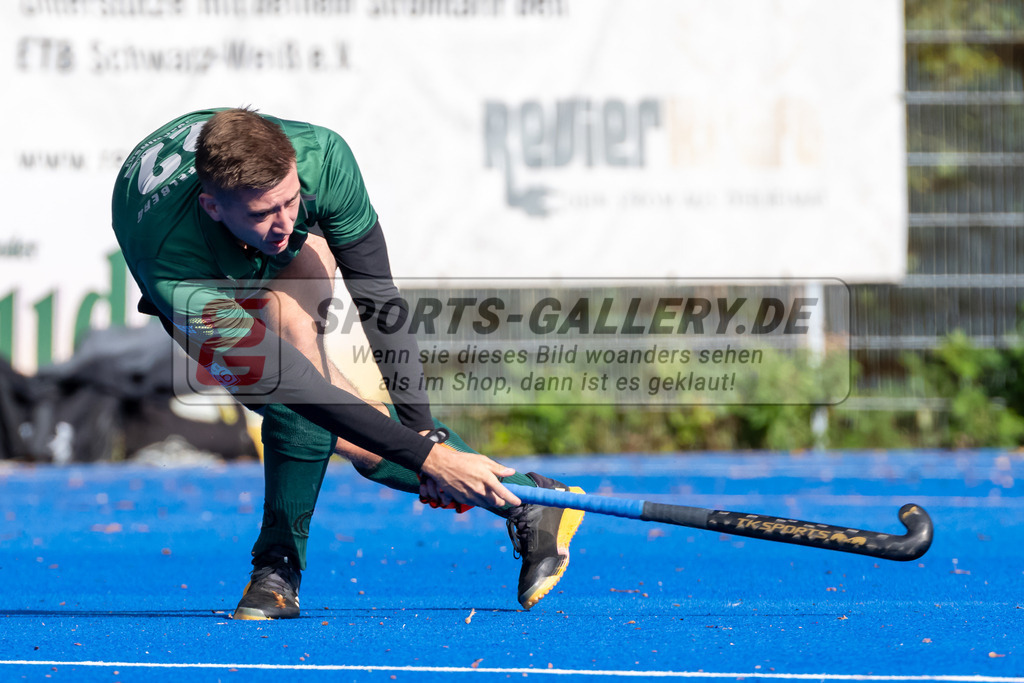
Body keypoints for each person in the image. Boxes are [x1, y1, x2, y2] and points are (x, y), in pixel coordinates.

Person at [110, 107, 585, 620]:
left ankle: (277, 570)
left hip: (250, 238)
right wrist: (429, 461)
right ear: (215, 207)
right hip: (201, 273)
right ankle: (531, 497)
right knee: (314, 411)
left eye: (291, 202)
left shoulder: (322, 158)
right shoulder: (174, 268)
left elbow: (377, 298)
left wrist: (427, 439)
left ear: (296, 171)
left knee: (302, 374)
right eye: (263, 213)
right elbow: (298, 389)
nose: (284, 224)